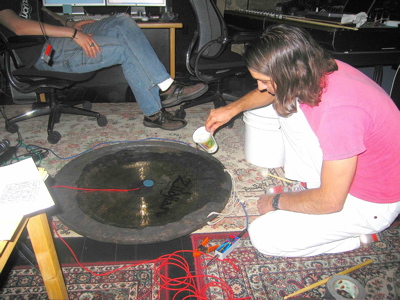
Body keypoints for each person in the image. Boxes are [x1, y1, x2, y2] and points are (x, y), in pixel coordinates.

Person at [206, 24, 400, 257]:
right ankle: (310, 185)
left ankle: (356, 237)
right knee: (285, 106)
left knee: (264, 235)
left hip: (371, 202)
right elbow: (273, 92)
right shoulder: (321, 70)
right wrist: (232, 109)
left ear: (291, 73)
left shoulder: (339, 112)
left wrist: (276, 201)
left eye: (265, 81)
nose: (260, 87)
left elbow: (331, 201)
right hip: (357, 169)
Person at [0, 0, 208, 131]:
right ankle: (156, 107)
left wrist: (69, 24)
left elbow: (46, 15)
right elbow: (18, 26)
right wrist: (73, 34)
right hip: (43, 54)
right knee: (125, 48)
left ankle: (165, 87)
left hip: (56, 40)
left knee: (123, 21)